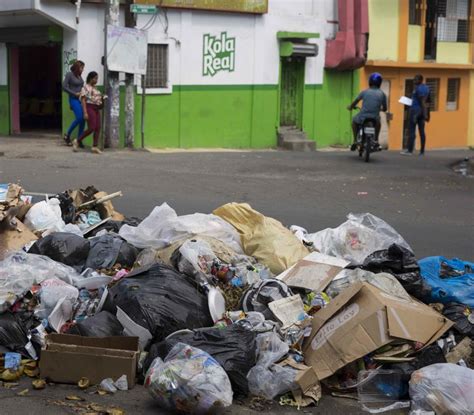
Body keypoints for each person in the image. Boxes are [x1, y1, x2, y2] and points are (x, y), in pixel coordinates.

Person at [347, 72, 388, 151]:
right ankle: (376, 140)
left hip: (363, 116)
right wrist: (380, 109)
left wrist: (351, 107)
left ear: (369, 82)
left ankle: (355, 141)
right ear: (380, 83)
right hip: (374, 117)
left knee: (354, 122)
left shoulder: (364, 92)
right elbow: (385, 108)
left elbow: (355, 101)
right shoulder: (382, 94)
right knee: (378, 124)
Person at [73, 71, 105, 154]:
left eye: (97, 78)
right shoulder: (85, 88)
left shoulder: (95, 88)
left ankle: (94, 146)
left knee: (98, 127)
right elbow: (83, 100)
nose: (96, 80)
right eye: (95, 78)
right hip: (89, 107)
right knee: (91, 128)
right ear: (91, 78)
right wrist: (85, 112)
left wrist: (102, 99)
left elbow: (98, 101)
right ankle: (77, 140)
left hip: (96, 108)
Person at [401, 74, 430, 156]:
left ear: (420, 80)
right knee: (422, 131)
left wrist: (420, 114)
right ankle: (422, 151)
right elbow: (428, 101)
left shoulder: (419, 89)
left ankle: (410, 150)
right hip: (420, 112)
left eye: (416, 79)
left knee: (412, 131)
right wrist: (426, 113)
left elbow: (422, 103)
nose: (414, 81)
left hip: (416, 111)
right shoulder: (426, 88)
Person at [62, 60, 85, 146]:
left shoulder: (79, 76)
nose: (83, 69)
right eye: (82, 67)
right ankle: (67, 135)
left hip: (80, 100)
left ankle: (79, 140)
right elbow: (64, 86)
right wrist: (74, 93)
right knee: (79, 118)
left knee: (83, 120)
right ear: (77, 67)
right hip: (73, 99)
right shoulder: (69, 75)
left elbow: (81, 87)